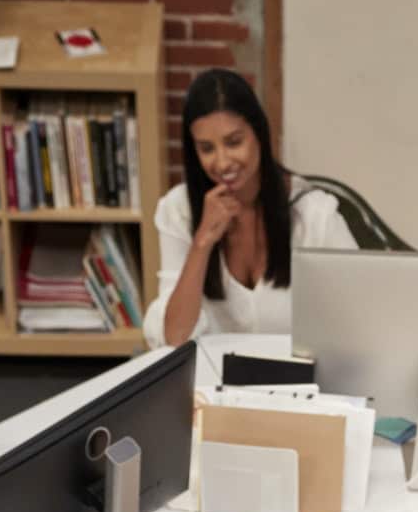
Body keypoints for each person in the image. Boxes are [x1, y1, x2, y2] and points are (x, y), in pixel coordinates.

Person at [150, 68, 357, 350]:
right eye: (207, 148)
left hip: (300, 384)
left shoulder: (313, 213)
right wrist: (202, 242)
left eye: (234, 142)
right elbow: (175, 337)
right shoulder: (178, 210)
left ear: (259, 134)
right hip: (213, 388)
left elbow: (360, 319)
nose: (222, 163)